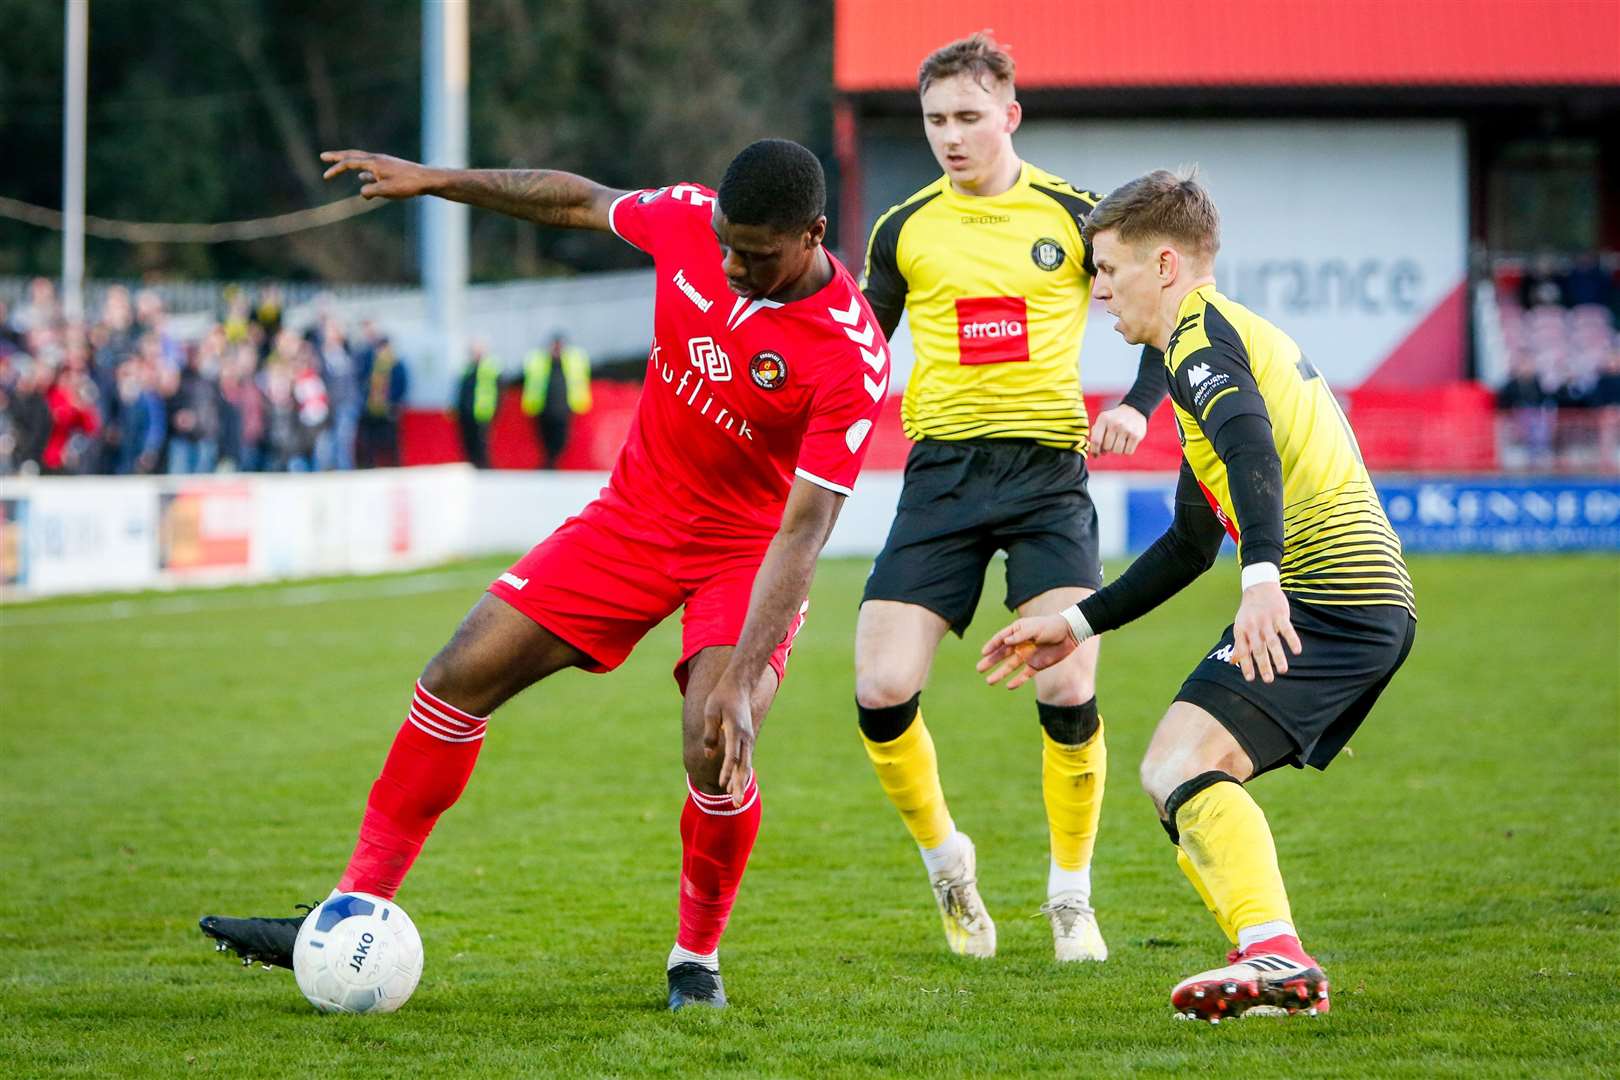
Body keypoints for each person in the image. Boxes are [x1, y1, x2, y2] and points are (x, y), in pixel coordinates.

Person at [199, 137, 888, 1011]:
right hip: (632, 520)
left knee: (715, 746)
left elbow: (805, 529)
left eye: (751, 256)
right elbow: (573, 199)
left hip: (745, 551)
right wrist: (441, 182)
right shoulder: (685, 219)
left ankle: (695, 961)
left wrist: (744, 678)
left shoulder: (850, 354)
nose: (727, 264)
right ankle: (349, 908)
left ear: (813, 236)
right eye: (723, 244)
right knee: (455, 677)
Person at [978, 169, 1416, 1022]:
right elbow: (1188, 540)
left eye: (1107, 269)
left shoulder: (1199, 341)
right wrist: (1073, 622)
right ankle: (1271, 959)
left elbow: (1250, 440)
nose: (1098, 292)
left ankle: (1274, 955)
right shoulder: (1219, 341)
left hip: (1333, 591)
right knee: (1182, 766)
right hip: (1354, 597)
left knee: (1179, 763)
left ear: (1166, 265)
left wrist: (1261, 580)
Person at [853, 32, 1166, 962]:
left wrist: (1139, 410)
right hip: (940, 476)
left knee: (1070, 678)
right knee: (881, 685)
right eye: (935, 121)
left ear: (1010, 116)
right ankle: (949, 863)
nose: (950, 137)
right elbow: (861, 346)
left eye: (967, 118)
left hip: (1046, 478)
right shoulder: (902, 227)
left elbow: (1158, 312)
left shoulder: (1076, 217)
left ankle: (1071, 893)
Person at [522, 333, 592, 468]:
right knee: (544, 437)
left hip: (563, 407)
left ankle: (552, 462)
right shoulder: (539, 360)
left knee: (560, 438)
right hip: (543, 406)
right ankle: (549, 461)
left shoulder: (573, 360)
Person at [356, 331, 409, 469]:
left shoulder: (396, 364)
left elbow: (401, 385)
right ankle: (371, 466)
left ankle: (395, 466)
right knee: (370, 442)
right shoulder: (371, 363)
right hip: (371, 409)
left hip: (388, 409)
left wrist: (394, 402)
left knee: (391, 442)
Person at [456, 341, 502, 469]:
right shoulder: (467, 368)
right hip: (466, 412)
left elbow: (499, 391)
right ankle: (472, 467)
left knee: (481, 444)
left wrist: (496, 410)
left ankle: (484, 468)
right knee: (467, 443)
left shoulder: (491, 368)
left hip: (482, 412)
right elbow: (461, 390)